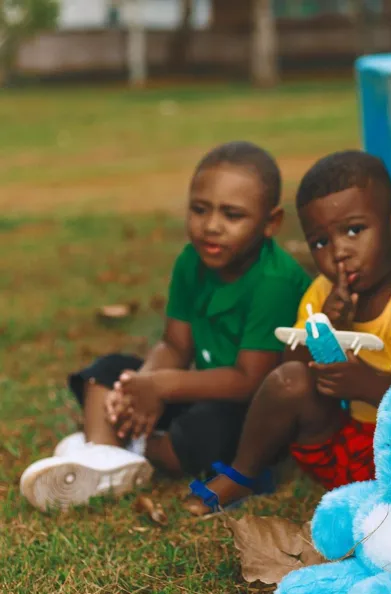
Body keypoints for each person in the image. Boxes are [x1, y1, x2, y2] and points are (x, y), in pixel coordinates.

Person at [20, 141, 311, 512]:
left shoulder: (275, 280)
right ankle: (104, 456)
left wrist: (160, 386)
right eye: (199, 209)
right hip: (201, 386)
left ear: (271, 223)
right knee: (106, 372)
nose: (211, 226)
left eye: (232, 215)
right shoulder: (192, 261)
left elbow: (248, 380)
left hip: (254, 412)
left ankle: (117, 450)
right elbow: (175, 346)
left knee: (202, 430)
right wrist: (139, 386)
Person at [186, 150, 391, 515]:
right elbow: (288, 368)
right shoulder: (320, 293)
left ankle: (383, 512)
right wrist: (329, 327)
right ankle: (243, 474)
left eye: (354, 230)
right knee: (289, 380)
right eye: (321, 242)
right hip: (337, 446)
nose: (339, 252)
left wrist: (367, 384)